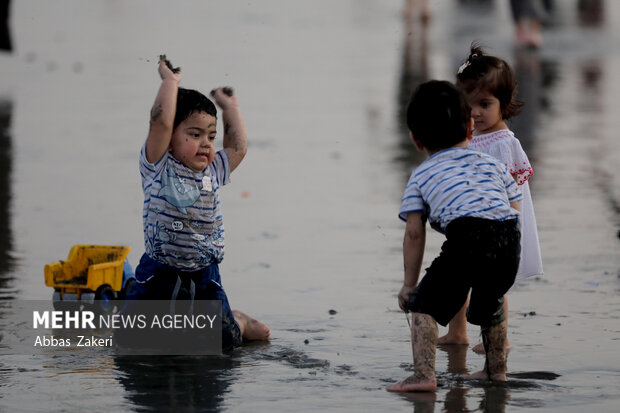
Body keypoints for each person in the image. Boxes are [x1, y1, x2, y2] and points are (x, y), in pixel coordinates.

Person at [387, 80, 522, 392]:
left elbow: (414, 232)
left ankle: (423, 375)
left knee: (422, 304)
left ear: (416, 140)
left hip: (468, 236)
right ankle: (496, 371)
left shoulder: (421, 175)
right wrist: (510, 243)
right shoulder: (491, 163)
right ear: (470, 130)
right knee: (492, 303)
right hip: (509, 237)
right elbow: (514, 204)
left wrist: (409, 284)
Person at [128, 55, 270, 352]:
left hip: (205, 274)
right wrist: (170, 82)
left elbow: (238, 147)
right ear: (169, 140)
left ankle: (239, 321)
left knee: (224, 343)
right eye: (194, 135)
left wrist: (230, 108)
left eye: (211, 136)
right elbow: (161, 120)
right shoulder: (158, 165)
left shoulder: (213, 170)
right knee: (134, 339)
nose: (206, 144)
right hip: (159, 272)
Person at [437, 45, 543, 352]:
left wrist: (506, 232)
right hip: (467, 222)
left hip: (497, 228)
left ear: (504, 103)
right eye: (468, 105)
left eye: (485, 104)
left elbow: (512, 189)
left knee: (492, 287)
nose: (475, 113)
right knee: (458, 279)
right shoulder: (467, 138)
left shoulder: (503, 142)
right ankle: (457, 333)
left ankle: (498, 340)